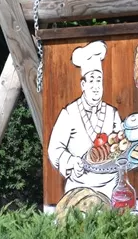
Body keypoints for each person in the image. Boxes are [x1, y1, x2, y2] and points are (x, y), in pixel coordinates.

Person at [48, 40, 122, 198]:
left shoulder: (112, 113)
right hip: (79, 187)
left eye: (99, 80)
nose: (96, 86)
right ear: (83, 85)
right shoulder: (69, 113)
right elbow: (54, 149)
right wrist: (71, 161)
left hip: (111, 186)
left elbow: (122, 145)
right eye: (91, 80)